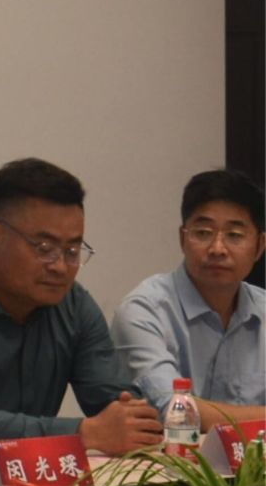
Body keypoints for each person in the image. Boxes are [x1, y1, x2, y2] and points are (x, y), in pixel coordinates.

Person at [0, 158, 162, 453]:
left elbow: (118, 406)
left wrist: (131, 421)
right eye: (45, 248)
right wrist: (83, 434)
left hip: (43, 476)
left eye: (72, 250)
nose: (60, 267)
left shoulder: (74, 306)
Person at [111, 168, 264, 424]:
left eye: (234, 235)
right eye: (203, 233)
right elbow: (176, 411)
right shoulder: (144, 311)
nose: (217, 249)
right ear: (183, 239)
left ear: (260, 247)